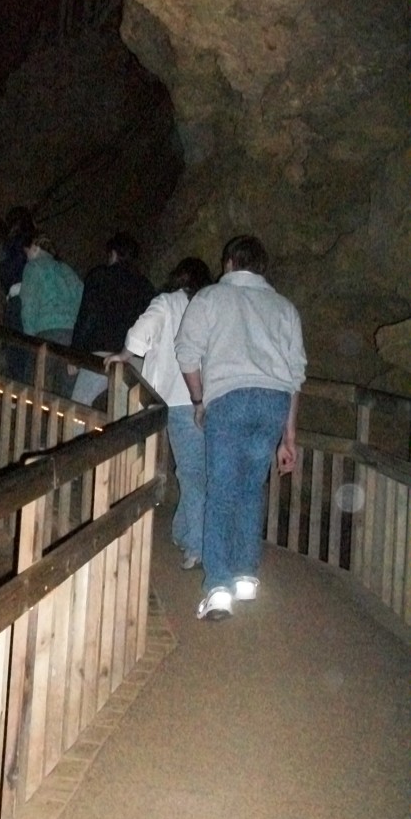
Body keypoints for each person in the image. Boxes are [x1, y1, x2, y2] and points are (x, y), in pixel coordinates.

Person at [174, 235, 306, 621]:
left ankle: (218, 586)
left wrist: (199, 400)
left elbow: (186, 352)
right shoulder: (283, 307)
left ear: (229, 263)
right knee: (250, 488)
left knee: (221, 491)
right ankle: (246, 573)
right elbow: (295, 375)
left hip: (229, 399)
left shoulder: (211, 298)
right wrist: (289, 437)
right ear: (261, 266)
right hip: (272, 402)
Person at [104, 257, 213, 571]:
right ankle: (193, 539)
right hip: (202, 398)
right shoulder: (208, 306)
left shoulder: (167, 302)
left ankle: (187, 536)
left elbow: (142, 331)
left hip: (168, 396)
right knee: (196, 471)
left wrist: (125, 354)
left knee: (189, 472)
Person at [70, 233, 156, 408]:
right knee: (124, 414)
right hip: (135, 358)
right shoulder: (145, 286)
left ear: (114, 254)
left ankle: (77, 435)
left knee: (79, 406)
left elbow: (87, 315)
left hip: (102, 354)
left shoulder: (99, 276)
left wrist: (75, 353)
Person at [19, 233, 83, 397]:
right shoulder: (67, 270)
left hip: (46, 331)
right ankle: (63, 422)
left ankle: (30, 420)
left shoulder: (33, 268)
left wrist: (30, 338)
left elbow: (29, 305)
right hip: (72, 335)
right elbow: (82, 300)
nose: (26, 255)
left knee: (34, 384)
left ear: (35, 248)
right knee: (64, 392)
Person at [0, 206, 33, 383]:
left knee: (14, 342)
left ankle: (16, 386)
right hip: (34, 297)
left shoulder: (13, 242)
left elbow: (6, 270)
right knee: (26, 344)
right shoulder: (35, 242)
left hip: (17, 294)